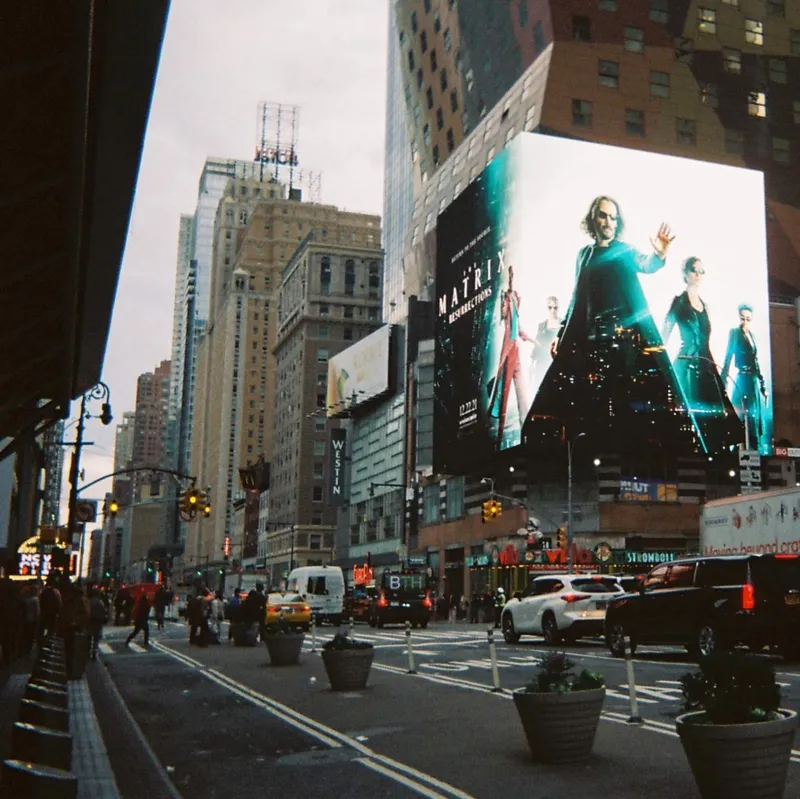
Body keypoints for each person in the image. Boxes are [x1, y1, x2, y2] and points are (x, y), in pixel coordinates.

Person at [526, 196, 690, 446]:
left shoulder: (623, 251)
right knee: (588, 405)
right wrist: (562, 334)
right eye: (603, 215)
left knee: (621, 402)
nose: (608, 222)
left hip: (621, 344)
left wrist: (659, 253)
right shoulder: (584, 254)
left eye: (613, 217)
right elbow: (576, 298)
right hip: (590, 343)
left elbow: (646, 264)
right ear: (593, 218)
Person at [662, 257, 742, 452]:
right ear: (685, 273)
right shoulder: (678, 302)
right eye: (694, 270)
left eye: (701, 271)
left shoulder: (706, 306)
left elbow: (706, 338)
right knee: (690, 418)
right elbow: (663, 334)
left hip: (707, 364)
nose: (698, 275)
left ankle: (715, 461)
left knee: (718, 416)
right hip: (687, 365)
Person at [487, 265, 533, 447]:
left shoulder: (514, 298)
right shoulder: (506, 299)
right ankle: (499, 438)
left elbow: (518, 326)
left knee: (522, 394)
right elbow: (505, 317)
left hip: (516, 351)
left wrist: (534, 341)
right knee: (503, 396)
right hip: (508, 351)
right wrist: (510, 283)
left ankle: (527, 432)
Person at [721, 303, 768, 449]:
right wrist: (723, 381)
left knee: (752, 420)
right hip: (742, 380)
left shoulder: (752, 335)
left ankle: (750, 451)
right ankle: (736, 451)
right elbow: (728, 357)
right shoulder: (734, 333)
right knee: (740, 418)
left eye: (748, 319)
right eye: (742, 318)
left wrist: (763, 386)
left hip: (753, 381)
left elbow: (756, 361)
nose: (745, 322)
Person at [529, 296, 562, 393]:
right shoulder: (542, 326)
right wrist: (531, 363)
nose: (553, 310)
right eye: (550, 307)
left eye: (555, 308)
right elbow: (537, 344)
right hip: (542, 362)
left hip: (557, 363)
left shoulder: (563, 324)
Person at [87, 587, 108, 660]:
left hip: (89, 621)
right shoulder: (100, 602)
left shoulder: (88, 601)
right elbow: (104, 611)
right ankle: (94, 653)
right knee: (96, 639)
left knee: (88, 637)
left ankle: (87, 652)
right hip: (98, 622)